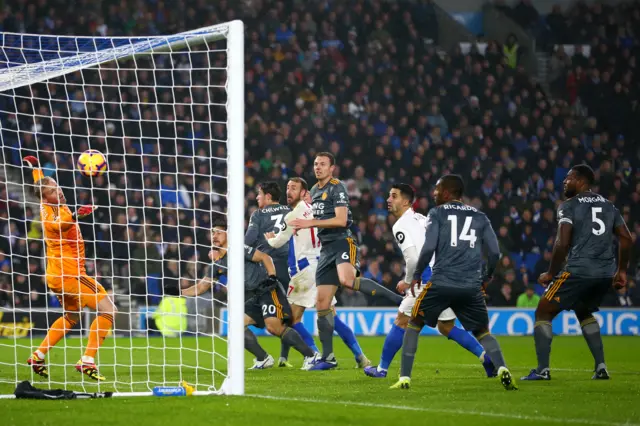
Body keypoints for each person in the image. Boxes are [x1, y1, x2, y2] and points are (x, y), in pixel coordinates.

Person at [391, 175, 517, 391]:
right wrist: (485, 278)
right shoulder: (479, 216)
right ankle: (503, 367)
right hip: (470, 284)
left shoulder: (437, 213)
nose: (434, 193)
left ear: (448, 192)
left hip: (441, 282)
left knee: (413, 325)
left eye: (438, 190)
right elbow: (495, 252)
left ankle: (404, 378)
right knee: (483, 331)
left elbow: (428, 248)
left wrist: (418, 274)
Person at [365, 184, 495, 378]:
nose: (388, 199)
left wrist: (408, 281)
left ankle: (382, 369)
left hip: (426, 280)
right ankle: (485, 357)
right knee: (446, 327)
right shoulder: (424, 219)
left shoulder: (400, 225)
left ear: (407, 201)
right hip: (448, 276)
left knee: (401, 320)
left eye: (394, 196)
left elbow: (413, 259)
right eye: (389, 195)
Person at [290, 152, 403, 370]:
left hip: (343, 241)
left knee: (347, 280)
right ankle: (328, 358)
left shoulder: (336, 186)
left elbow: (341, 220)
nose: (318, 167)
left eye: (323, 164)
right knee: (322, 304)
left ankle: (398, 300)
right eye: (315, 164)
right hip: (326, 250)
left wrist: (310, 222)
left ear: (332, 168)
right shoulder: (314, 191)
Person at [522, 165, 632, 381]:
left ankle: (542, 370)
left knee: (543, 311)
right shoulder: (609, 206)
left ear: (582, 181)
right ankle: (601, 367)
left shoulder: (568, 206)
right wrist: (621, 272)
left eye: (569, 178)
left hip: (579, 270)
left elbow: (562, 243)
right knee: (583, 310)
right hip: (604, 273)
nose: (564, 182)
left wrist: (551, 273)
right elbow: (627, 238)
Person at [23, 155, 116, 381]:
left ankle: (38, 354)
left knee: (72, 316)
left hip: (55, 276)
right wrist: (76, 215)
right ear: (46, 197)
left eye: (57, 187)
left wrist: (35, 168)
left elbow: (41, 183)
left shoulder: (47, 201)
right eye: (53, 191)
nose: (58, 191)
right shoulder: (51, 216)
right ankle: (88, 360)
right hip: (70, 274)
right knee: (109, 310)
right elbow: (59, 225)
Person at [182, 220, 318, 370]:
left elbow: (265, 258)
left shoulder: (239, 249)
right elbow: (201, 287)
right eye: (213, 232)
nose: (215, 235)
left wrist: (272, 277)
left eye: (219, 232)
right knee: (236, 326)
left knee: (274, 327)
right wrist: (178, 292)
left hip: (267, 289)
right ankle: (263, 358)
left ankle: (311, 356)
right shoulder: (217, 265)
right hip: (254, 297)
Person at [266, 177, 371, 368]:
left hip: (305, 271)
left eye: (294, 188)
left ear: (305, 193)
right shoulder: (319, 212)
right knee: (331, 315)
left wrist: (270, 239)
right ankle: (360, 356)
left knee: (291, 318)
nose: (289, 191)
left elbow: (279, 242)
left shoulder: (293, 216)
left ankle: (313, 354)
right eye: (287, 188)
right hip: (320, 265)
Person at [245, 182, 291, 287]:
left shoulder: (258, 214)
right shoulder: (290, 211)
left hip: (266, 267)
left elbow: (249, 240)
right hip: (290, 264)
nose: (257, 197)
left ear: (268, 196)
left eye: (259, 194)